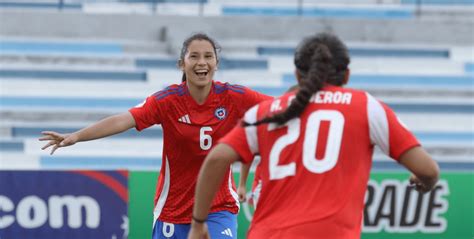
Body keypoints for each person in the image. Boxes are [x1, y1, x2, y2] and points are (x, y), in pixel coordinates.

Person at [188, 33, 440, 239]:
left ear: (297, 75)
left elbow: (216, 159)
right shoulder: (365, 107)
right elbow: (428, 170)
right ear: (347, 75)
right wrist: (424, 181)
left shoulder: (264, 112)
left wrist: (198, 223)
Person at [39, 33, 271, 239]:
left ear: (216, 63)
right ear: (182, 64)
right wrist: (77, 136)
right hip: (173, 210)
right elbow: (124, 119)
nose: (202, 62)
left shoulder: (233, 96)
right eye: (194, 56)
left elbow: (277, 107)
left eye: (208, 56)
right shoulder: (167, 100)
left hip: (218, 208)